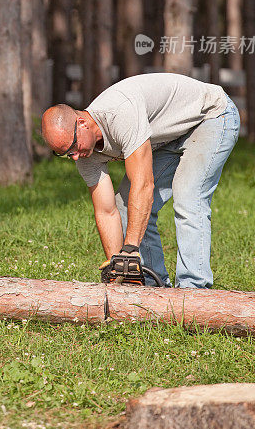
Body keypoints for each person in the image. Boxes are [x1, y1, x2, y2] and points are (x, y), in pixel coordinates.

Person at [41, 72, 240, 288]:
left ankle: (194, 290)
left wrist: (130, 249)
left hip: (210, 117)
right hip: (169, 136)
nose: (75, 156)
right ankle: (154, 287)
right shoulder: (84, 153)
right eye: (65, 154)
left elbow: (143, 184)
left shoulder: (119, 112)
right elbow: (106, 211)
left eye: (72, 147)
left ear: (81, 123)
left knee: (188, 196)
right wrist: (116, 266)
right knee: (126, 203)